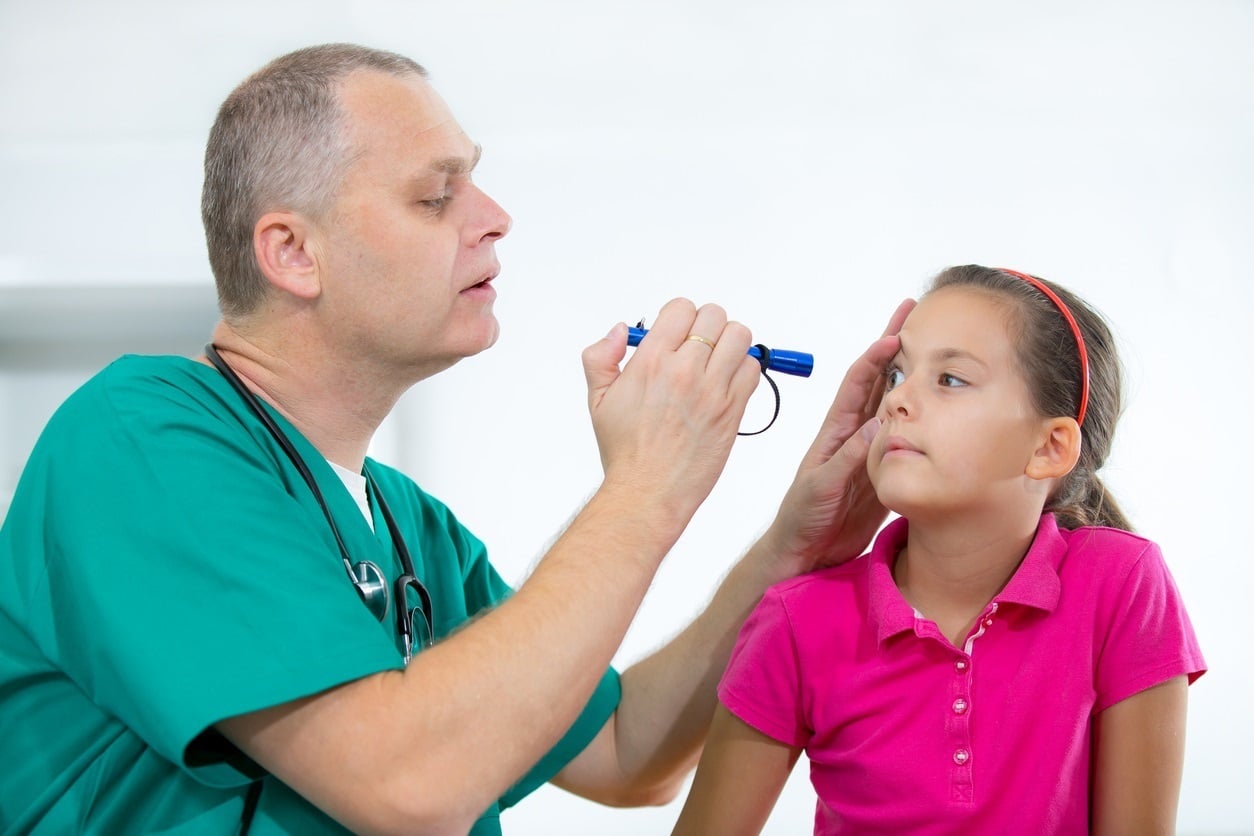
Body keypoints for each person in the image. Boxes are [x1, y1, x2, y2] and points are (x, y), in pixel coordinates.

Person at [0, 44, 910, 834]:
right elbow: (409, 789)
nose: (494, 215)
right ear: (292, 254)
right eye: (437, 196)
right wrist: (647, 486)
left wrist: (797, 547)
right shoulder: (140, 434)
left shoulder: (408, 527)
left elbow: (626, 751)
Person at [673, 265, 1207, 835]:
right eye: (898, 373)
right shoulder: (795, 621)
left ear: (1050, 447)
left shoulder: (1121, 582)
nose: (897, 398)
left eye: (949, 379)